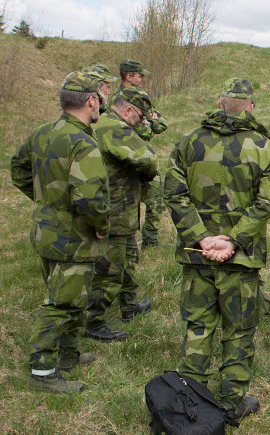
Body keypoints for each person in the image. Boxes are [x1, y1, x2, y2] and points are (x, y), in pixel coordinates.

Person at [164, 78, 270, 426]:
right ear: (250, 107)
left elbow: (173, 194)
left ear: (219, 103)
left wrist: (201, 238)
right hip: (240, 258)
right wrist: (232, 240)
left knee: (198, 325)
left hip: (198, 255)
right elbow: (267, 202)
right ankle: (231, 402)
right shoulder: (264, 146)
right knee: (239, 329)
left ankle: (190, 399)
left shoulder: (188, 142)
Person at [11, 71, 109, 393]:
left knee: (70, 296)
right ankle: (41, 372)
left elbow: (18, 168)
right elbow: (91, 199)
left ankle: (67, 354)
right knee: (60, 302)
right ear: (91, 101)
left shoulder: (42, 132)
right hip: (71, 238)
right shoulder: (83, 143)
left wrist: (46, 201)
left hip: (44, 231)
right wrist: (101, 227)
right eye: (99, 100)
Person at [83, 88, 159, 342]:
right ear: (127, 110)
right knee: (110, 269)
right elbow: (148, 158)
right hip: (114, 211)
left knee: (127, 260)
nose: (141, 123)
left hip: (121, 209)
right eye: (139, 117)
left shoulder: (102, 124)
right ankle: (94, 321)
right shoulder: (115, 128)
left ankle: (129, 306)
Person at [115, 60, 167, 248]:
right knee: (127, 201)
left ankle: (151, 241)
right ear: (128, 76)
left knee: (156, 200)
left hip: (144, 157)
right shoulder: (115, 100)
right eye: (140, 75)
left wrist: (148, 127)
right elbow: (145, 128)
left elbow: (161, 123)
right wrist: (148, 125)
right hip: (124, 160)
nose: (143, 79)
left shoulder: (142, 98)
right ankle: (127, 242)